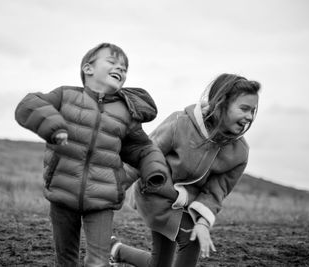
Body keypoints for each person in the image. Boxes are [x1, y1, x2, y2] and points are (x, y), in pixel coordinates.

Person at [14, 43, 168, 267]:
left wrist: (154, 170)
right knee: (65, 261)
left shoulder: (125, 114)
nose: (121, 69)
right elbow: (29, 105)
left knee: (98, 262)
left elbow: (143, 148)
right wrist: (54, 127)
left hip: (102, 198)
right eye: (113, 62)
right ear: (88, 69)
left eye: (124, 68)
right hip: (62, 192)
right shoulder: (65, 96)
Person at [110, 73, 261, 267]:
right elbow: (143, 156)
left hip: (185, 205)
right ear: (221, 104)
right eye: (244, 109)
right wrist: (114, 189)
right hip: (155, 194)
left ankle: (117, 250)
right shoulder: (180, 123)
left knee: (160, 264)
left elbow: (216, 192)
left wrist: (203, 223)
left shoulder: (239, 152)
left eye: (253, 111)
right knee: (192, 240)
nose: (249, 117)